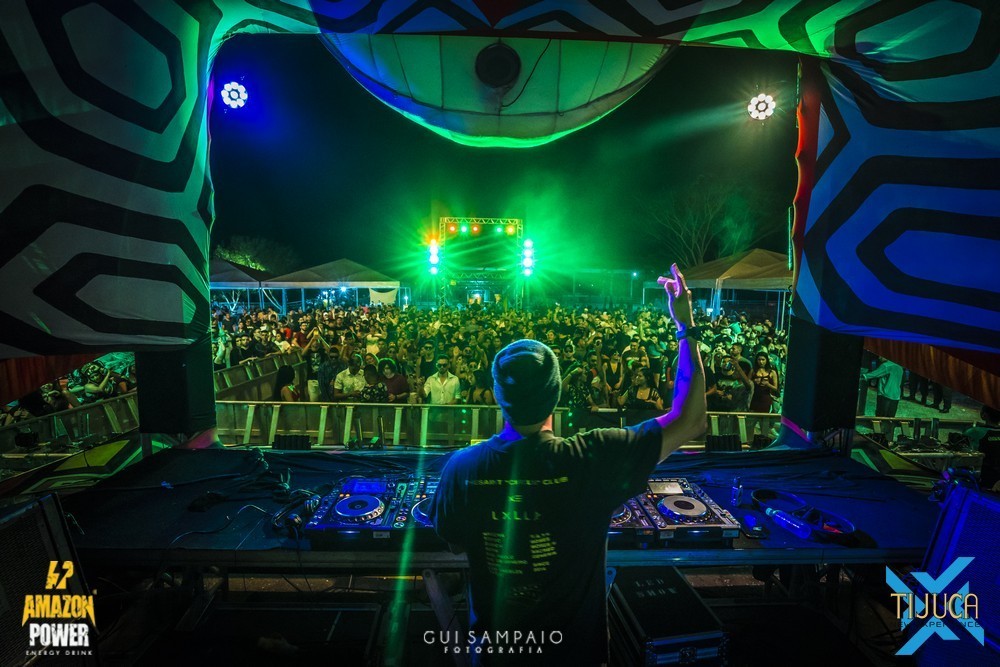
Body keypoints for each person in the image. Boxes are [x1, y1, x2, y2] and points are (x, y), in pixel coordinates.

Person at [429, 264, 705, 666]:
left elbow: (455, 541)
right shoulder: (594, 456)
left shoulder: (462, 468)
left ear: (497, 395)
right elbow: (691, 419)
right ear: (556, 393)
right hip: (574, 653)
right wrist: (685, 326)